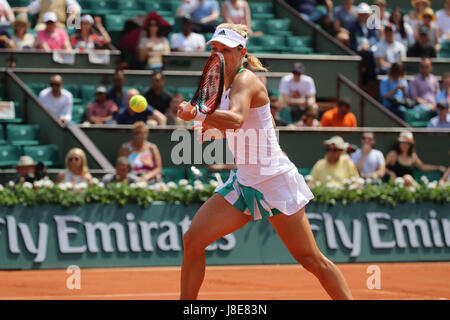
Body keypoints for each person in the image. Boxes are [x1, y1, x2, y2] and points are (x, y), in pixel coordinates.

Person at [177, 23, 353, 300]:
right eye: (214, 49)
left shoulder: (245, 80)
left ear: (241, 52)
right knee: (193, 240)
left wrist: (198, 114)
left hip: (273, 181)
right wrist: (209, 130)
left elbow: (236, 120)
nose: (218, 55)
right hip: (244, 180)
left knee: (310, 260)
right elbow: (248, 129)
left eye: (225, 49)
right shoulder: (221, 86)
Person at [349, 3, 379, 84]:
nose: (363, 16)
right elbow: (352, 42)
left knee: (370, 53)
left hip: (370, 50)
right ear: (358, 15)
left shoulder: (372, 25)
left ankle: (370, 77)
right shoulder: (353, 27)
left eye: (365, 14)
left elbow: (374, 38)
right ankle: (371, 77)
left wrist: (368, 45)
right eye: (361, 14)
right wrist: (359, 48)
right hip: (358, 52)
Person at [14, 0, 81, 31]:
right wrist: (14, 9)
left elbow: (75, 8)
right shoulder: (40, 1)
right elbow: (30, 9)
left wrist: (72, 15)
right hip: (42, 25)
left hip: (59, 25)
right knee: (39, 29)